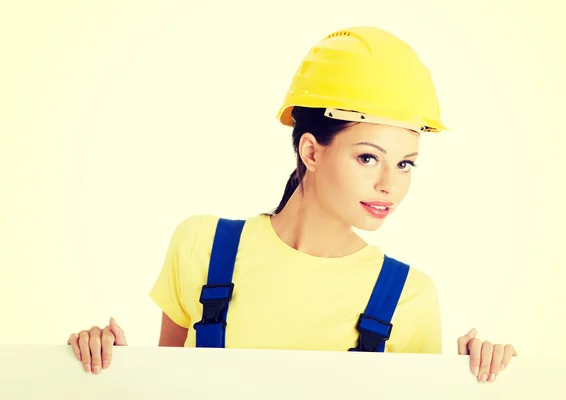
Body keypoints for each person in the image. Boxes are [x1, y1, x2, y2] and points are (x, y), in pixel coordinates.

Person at [67, 26, 517, 384]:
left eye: (405, 164)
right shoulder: (201, 247)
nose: (389, 185)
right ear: (312, 151)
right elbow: (164, 387)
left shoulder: (409, 296)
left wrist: (472, 379)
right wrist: (110, 370)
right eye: (367, 157)